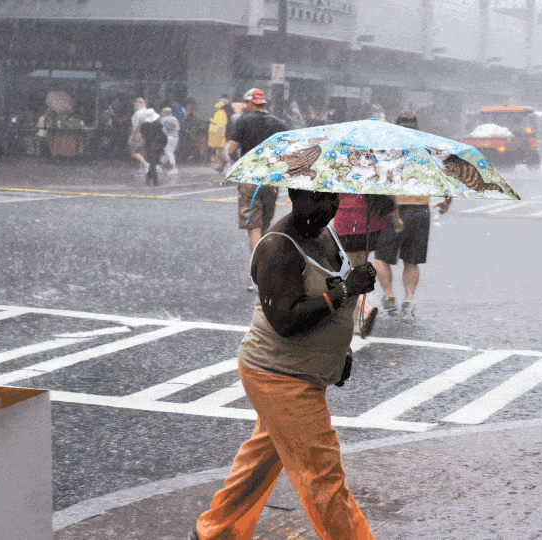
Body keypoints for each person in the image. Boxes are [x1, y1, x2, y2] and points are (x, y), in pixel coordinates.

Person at [188, 188, 378, 540]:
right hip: (280, 376)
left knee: (260, 462)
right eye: (316, 199)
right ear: (293, 195)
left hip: (303, 371)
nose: (327, 207)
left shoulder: (325, 232)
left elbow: (325, 304)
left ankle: (215, 532)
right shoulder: (279, 247)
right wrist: (346, 291)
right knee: (322, 476)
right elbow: (285, 321)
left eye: (332, 198)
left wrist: (339, 353)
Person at [372, 111, 451, 319]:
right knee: (411, 260)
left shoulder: (389, 149)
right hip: (420, 210)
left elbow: (381, 178)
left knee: (381, 257)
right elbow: (445, 175)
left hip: (394, 209)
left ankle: (389, 296)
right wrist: (446, 201)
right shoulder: (427, 149)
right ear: (417, 126)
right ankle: (408, 299)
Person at [226, 88, 288, 256]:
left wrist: (235, 161)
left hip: (250, 177)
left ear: (250, 103)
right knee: (265, 224)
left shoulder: (243, 121)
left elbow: (231, 147)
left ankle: (258, 272)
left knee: (254, 226)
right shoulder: (279, 123)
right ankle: (267, 266)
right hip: (271, 179)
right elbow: (287, 153)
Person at [333, 193, 402, 337]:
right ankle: (355, 324)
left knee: (346, 275)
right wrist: (396, 219)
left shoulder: (341, 171)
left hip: (348, 221)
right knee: (357, 272)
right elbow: (390, 193)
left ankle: (365, 310)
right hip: (371, 222)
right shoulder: (371, 169)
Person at [139, 108, 168, 186]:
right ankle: (155, 180)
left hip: (148, 146)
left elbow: (142, 135)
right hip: (157, 146)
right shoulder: (158, 125)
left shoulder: (144, 126)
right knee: (153, 163)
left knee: (152, 162)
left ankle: (149, 179)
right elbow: (164, 136)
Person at [128, 97, 151, 173]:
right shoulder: (148, 112)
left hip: (138, 134)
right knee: (142, 152)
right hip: (146, 134)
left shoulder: (137, 114)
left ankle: (146, 164)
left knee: (135, 152)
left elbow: (135, 126)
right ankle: (141, 169)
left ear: (137, 105)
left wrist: (131, 136)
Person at [208, 100, 229, 172]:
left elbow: (218, 123)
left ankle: (224, 163)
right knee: (219, 150)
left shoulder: (220, 113)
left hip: (218, 134)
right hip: (218, 134)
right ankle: (221, 165)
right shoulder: (222, 113)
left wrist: (211, 120)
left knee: (220, 150)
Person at [159, 107, 180, 175]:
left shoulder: (163, 119)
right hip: (175, 137)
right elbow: (178, 129)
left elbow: (162, 129)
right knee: (167, 152)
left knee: (169, 152)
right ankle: (160, 166)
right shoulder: (174, 119)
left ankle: (174, 168)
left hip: (168, 137)